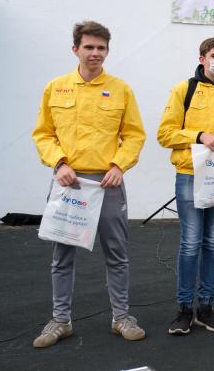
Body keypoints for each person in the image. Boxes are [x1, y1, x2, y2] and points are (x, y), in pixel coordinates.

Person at [31, 21, 146, 348]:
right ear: (75, 49)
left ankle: (121, 317)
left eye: (101, 48)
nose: (95, 53)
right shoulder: (56, 88)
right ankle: (61, 320)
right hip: (68, 183)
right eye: (89, 47)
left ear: (107, 51)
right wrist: (59, 163)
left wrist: (119, 165)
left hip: (107, 184)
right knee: (62, 256)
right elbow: (43, 134)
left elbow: (134, 135)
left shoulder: (121, 90)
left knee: (117, 254)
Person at [157, 37, 214, 335]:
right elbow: (165, 134)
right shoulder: (184, 90)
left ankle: (206, 308)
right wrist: (199, 136)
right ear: (202, 59)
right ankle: (184, 309)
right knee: (190, 242)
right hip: (190, 175)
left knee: (212, 242)